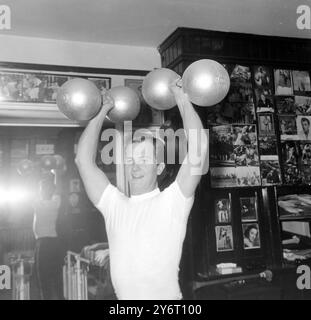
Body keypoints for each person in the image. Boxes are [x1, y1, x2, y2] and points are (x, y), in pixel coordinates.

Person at [75, 81, 208, 300]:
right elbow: (83, 161)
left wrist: (181, 98)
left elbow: (199, 148)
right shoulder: (113, 205)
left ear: (159, 167)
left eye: (144, 159)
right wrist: (101, 113)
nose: (135, 166)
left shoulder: (173, 201)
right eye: (130, 160)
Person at [33, 177, 63, 300]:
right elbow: (56, 190)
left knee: (42, 277)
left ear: (43, 190)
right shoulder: (56, 201)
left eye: (41, 189)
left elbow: (39, 195)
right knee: (56, 276)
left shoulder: (37, 203)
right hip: (54, 243)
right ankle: (60, 297)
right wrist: (54, 176)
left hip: (43, 244)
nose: (39, 191)